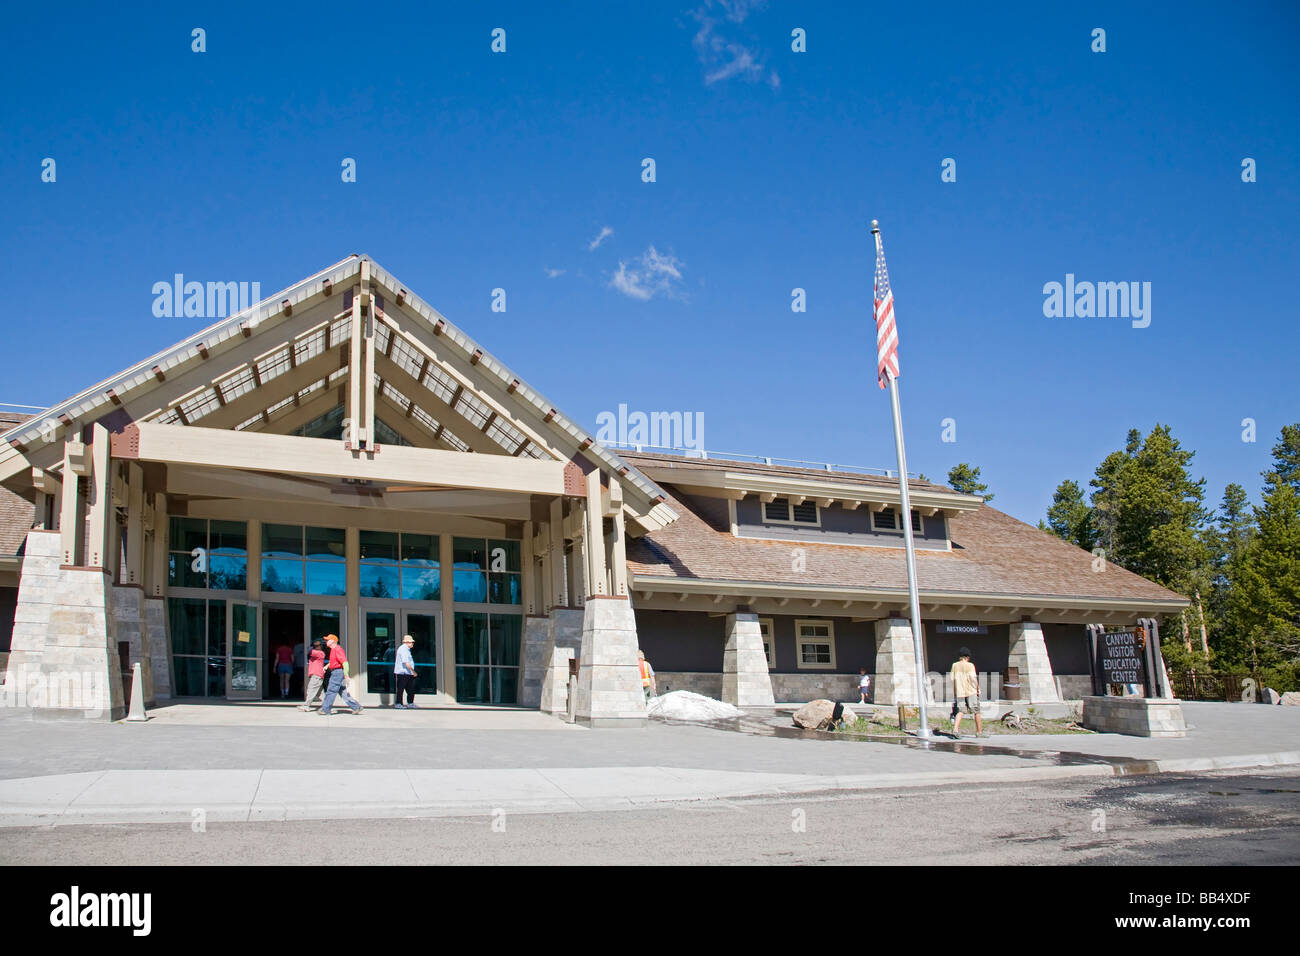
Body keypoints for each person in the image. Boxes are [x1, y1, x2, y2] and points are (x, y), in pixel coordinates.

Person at [319, 633, 363, 716]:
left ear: (333, 641)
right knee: (342, 691)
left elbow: (345, 662)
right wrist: (326, 666)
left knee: (331, 691)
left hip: (337, 673)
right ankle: (356, 707)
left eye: (327, 640)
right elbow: (334, 662)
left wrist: (346, 674)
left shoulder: (337, 649)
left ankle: (325, 709)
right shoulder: (333, 650)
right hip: (337, 672)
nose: (326, 642)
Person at [950, 647, 984, 738]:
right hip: (970, 691)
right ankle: (979, 732)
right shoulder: (970, 665)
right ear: (967, 657)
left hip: (959, 692)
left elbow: (952, 679)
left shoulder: (954, 665)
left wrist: (954, 691)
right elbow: (973, 678)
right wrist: (978, 688)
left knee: (960, 711)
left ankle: (955, 730)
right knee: (976, 711)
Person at [299, 638, 326, 711]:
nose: (316, 647)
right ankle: (326, 706)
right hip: (317, 675)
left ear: (320, 646)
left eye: (318, 646)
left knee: (311, 690)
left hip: (317, 675)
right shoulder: (318, 653)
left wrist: (313, 644)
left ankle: (306, 706)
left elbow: (309, 650)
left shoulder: (319, 653)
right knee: (317, 692)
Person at [394, 634, 418, 709]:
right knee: (401, 689)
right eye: (411, 642)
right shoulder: (403, 649)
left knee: (410, 689)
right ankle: (398, 703)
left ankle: (410, 703)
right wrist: (413, 672)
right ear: (407, 642)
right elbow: (406, 662)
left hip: (407, 673)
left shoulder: (407, 649)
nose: (412, 643)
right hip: (403, 673)